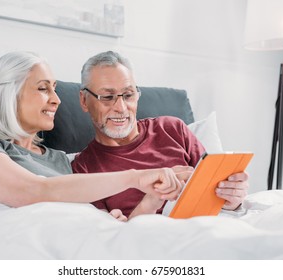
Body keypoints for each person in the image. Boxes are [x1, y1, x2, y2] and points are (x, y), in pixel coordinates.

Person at [0, 51, 191, 215]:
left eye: (54, 89)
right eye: (43, 89)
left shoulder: (59, 159)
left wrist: (114, 217)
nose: (56, 100)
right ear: (7, 94)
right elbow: (34, 191)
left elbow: (85, 211)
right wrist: (135, 177)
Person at [72, 50, 249, 220]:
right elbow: (112, 237)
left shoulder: (172, 129)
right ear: (84, 100)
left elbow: (217, 194)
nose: (121, 108)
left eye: (128, 95)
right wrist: (153, 198)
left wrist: (232, 199)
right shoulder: (84, 169)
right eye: (107, 97)